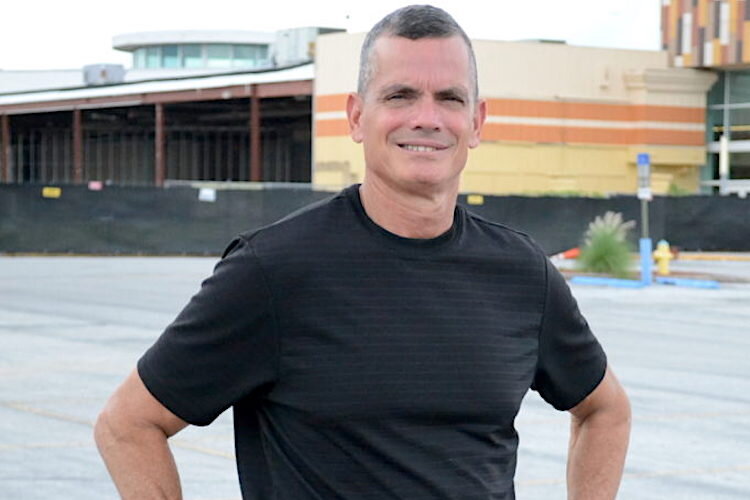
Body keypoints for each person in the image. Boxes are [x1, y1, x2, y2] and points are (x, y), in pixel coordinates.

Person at [94, 5, 631, 499]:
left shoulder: (521, 273)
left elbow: (605, 409)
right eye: (400, 96)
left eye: (450, 98)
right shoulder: (274, 271)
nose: (427, 117)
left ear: (477, 122)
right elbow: (127, 425)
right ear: (356, 117)